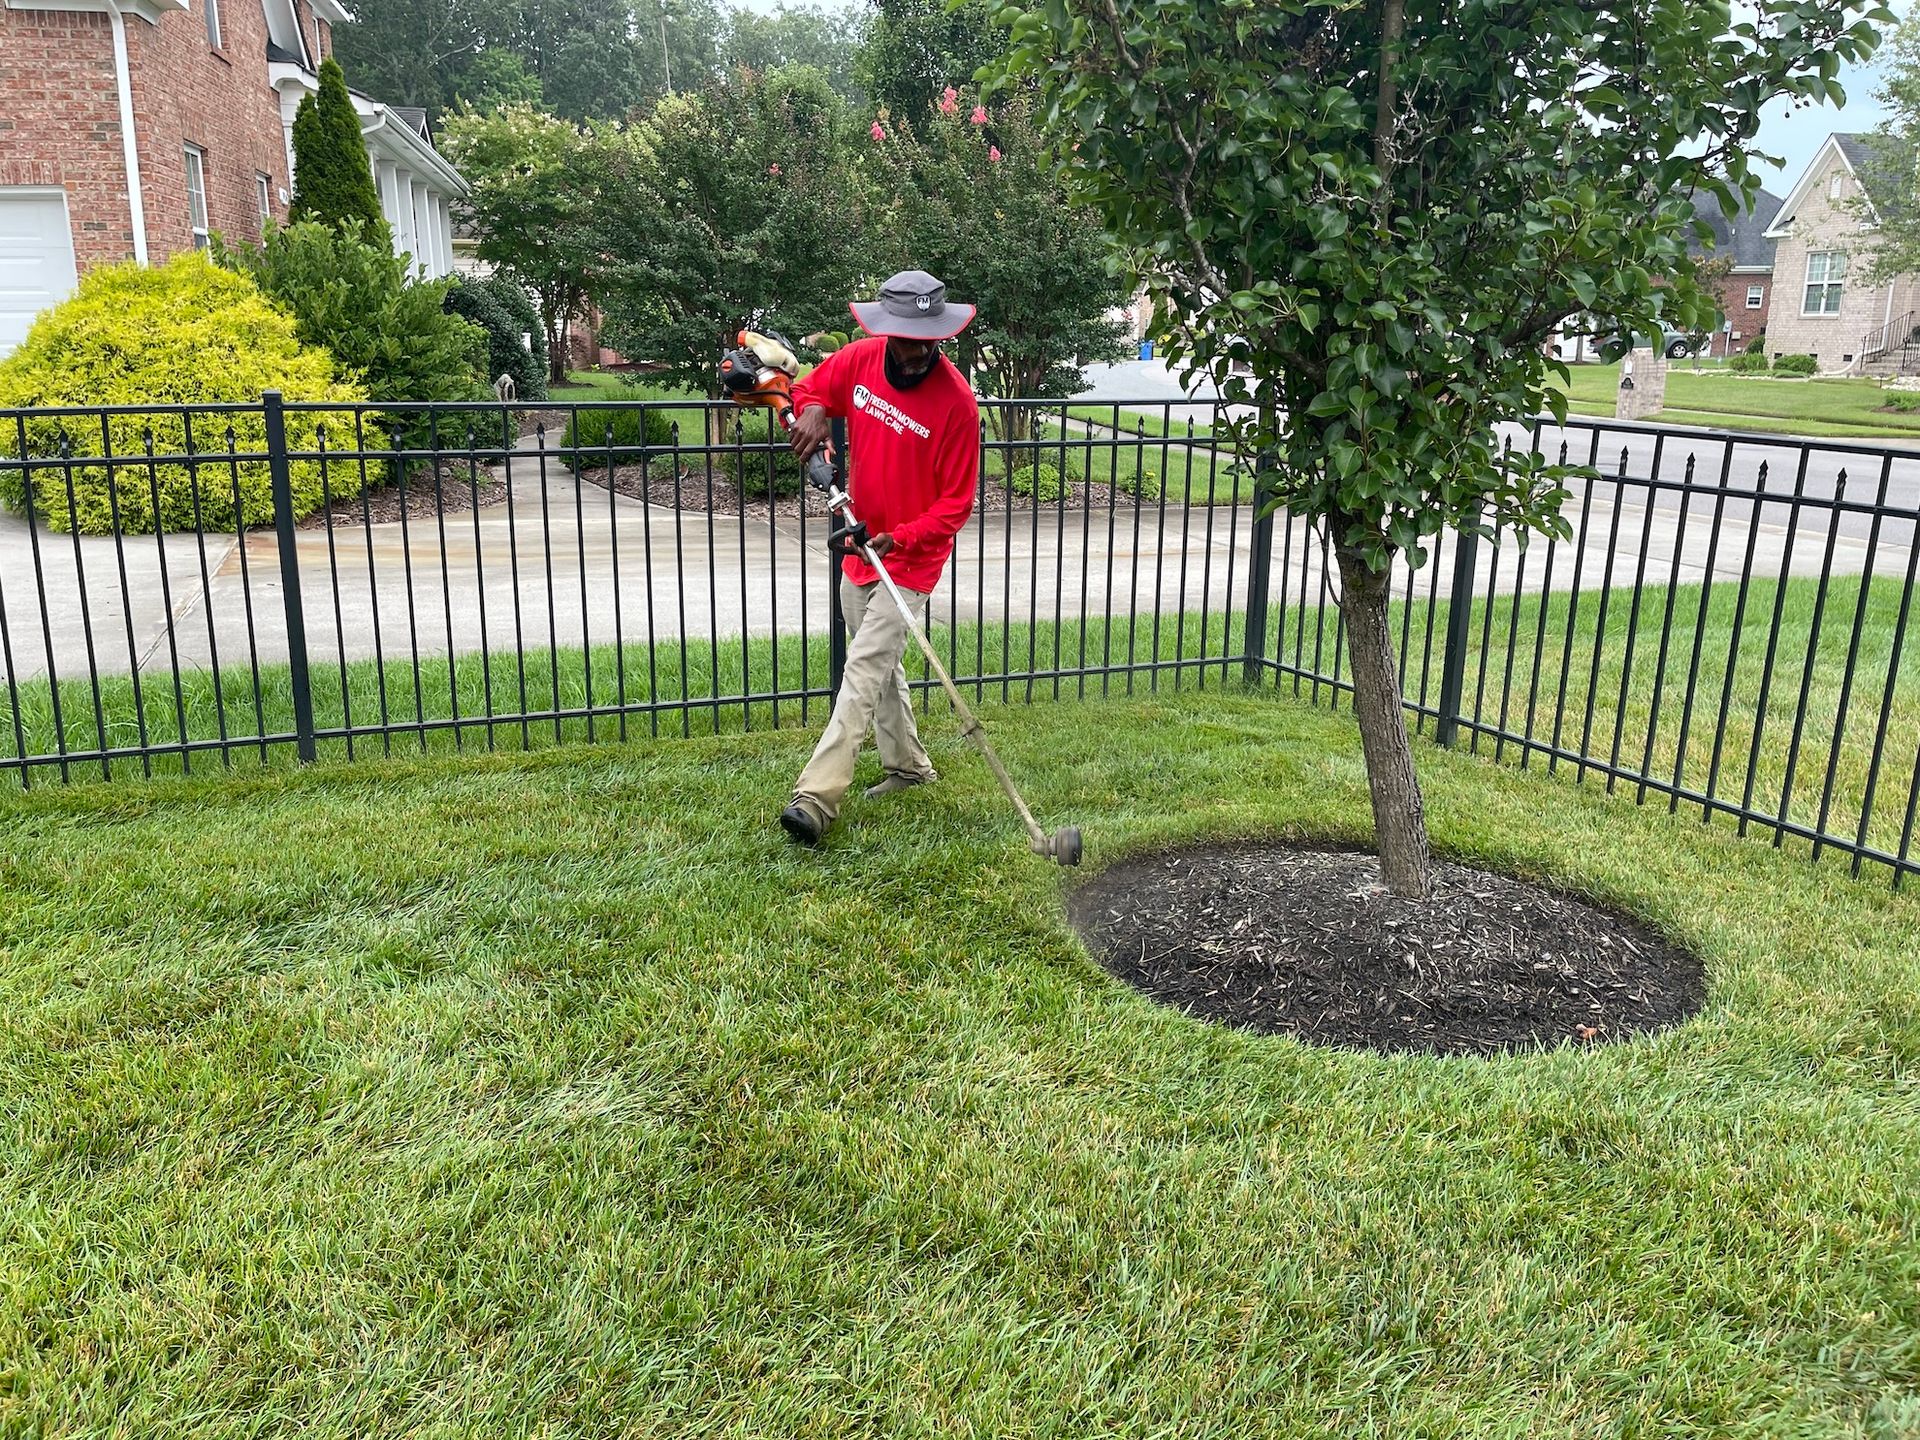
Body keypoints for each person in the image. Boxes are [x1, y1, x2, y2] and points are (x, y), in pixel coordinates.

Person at [778, 270, 981, 846]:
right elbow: (809, 389)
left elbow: (957, 504)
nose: (918, 350)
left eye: (929, 338)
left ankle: (815, 797)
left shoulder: (957, 405)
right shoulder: (862, 361)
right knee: (884, 667)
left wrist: (905, 537)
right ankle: (910, 768)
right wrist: (812, 405)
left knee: (863, 668)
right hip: (859, 547)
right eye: (907, 337)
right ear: (886, 332)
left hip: (911, 561)